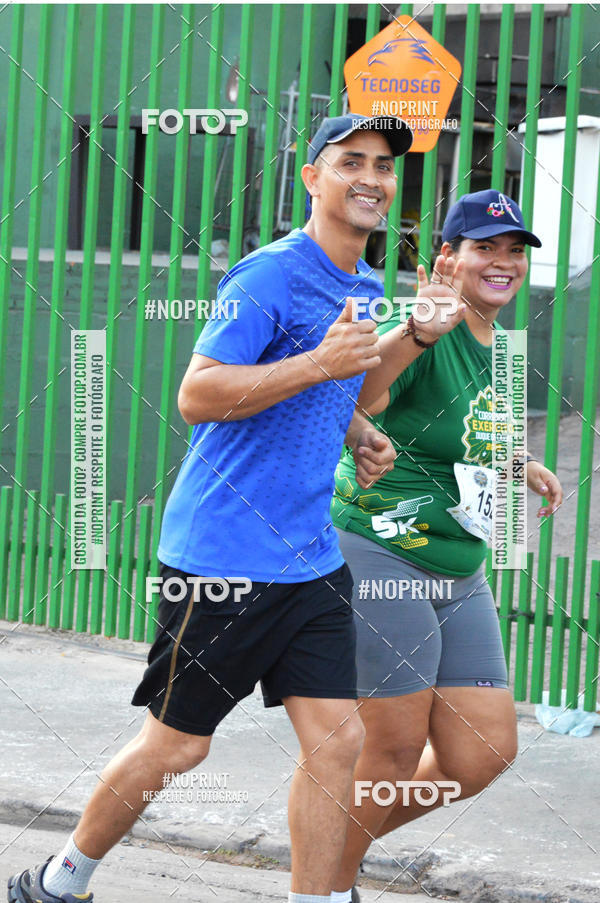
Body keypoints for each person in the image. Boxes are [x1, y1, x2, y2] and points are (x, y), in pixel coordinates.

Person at [7, 114, 415, 903]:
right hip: (224, 557)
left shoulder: (366, 285)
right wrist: (318, 362)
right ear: (312, 178)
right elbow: (198, 394)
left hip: (310, 557)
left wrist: (360, 429)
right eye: (351, 161)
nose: (371, 176)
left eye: (383, 165)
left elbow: (329, 388)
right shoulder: (268, 275)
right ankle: (59, 881)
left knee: (339, 742)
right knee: (178, 747)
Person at [329, 189, 564, 901]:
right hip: (384, 550)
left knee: (481, 753)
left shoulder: (496, 340)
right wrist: (418, 333)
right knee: (394, 748)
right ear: (446, 259)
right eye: (484, 248)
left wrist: (520, 464)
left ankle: (328, 844)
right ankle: (327, 883)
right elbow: (354, 399)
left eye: (514, 251)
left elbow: (461, 428)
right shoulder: (423, 325)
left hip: (460, 566)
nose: (503, 262)